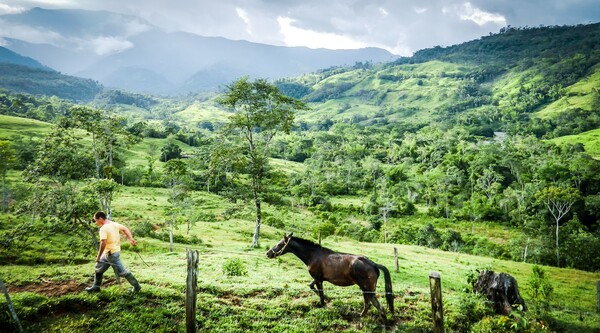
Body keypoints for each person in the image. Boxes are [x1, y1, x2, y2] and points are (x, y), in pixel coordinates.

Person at [85, 211, 142, 293]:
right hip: (109, 252)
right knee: (98, 268)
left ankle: (137, 287)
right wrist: (130, 239)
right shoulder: (113, 224)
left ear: (100, 218)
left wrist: (98, 256)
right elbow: (125, 228)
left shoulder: (103, 228)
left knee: (122, 272)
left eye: (96, 220)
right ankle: (96, 287)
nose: (96, 222)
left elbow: (103, 243)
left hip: (112, 254)